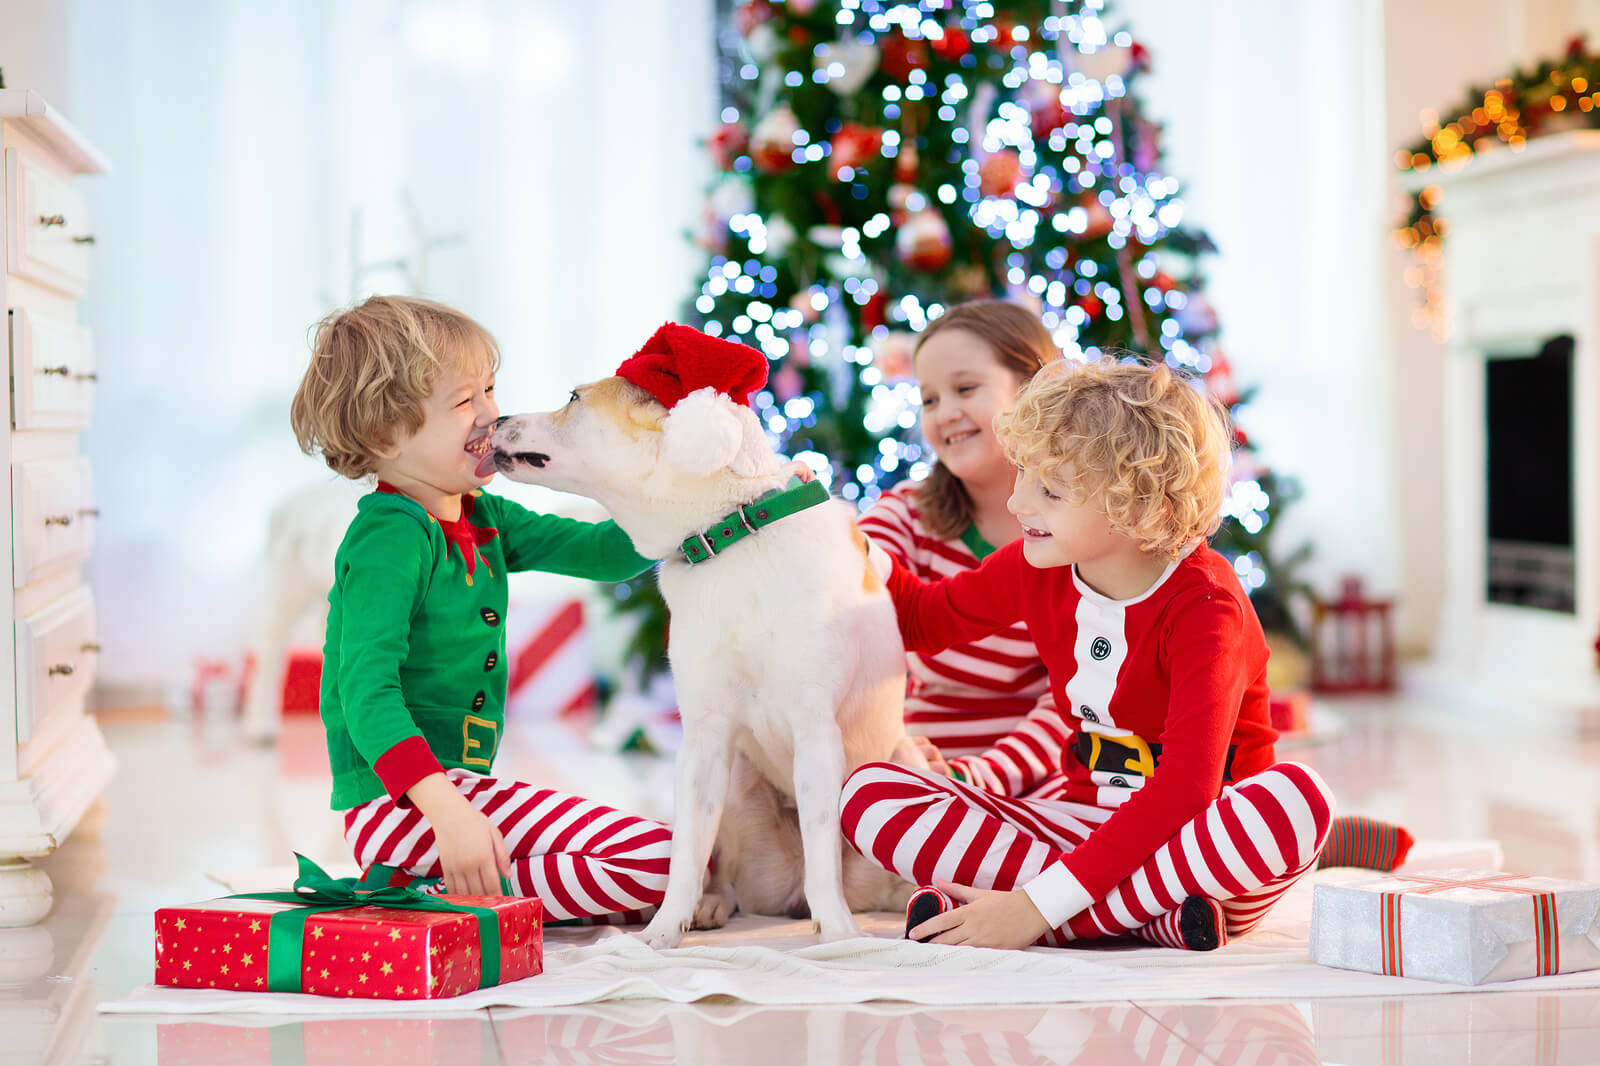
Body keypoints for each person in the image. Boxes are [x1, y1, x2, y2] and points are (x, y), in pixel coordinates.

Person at [842, 356, 1336, 951]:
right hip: (1079, 821)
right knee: (870, 795)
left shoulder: (1206, 604)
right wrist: (841, 537)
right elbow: (923, 619)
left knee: (1296, 803)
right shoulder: (1036, 566)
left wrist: (1034, 907)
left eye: (1049, 489)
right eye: (1023, 474)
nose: (1019, 503)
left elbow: (1186, 792)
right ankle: (1149, 918)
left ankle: (1047, 917)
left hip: (1198, 831)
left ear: (1134, 504)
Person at [290, 295, 670, 920]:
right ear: (388, 433)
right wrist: (449, 813)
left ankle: (445, 888)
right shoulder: (388, 540)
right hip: (401, 808)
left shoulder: (482, 515)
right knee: (657, 864)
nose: (493, 415)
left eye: (491, 390)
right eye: (466, 401)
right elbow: (367, 696)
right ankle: (429, 892)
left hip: (454, 798)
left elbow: (604, 552)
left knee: (663, 863)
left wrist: (686, 504)